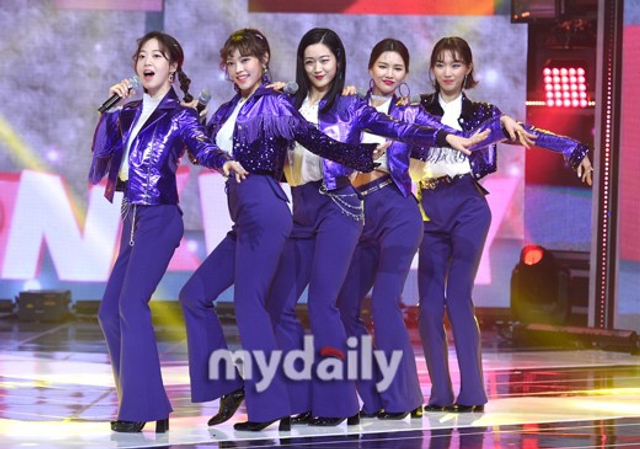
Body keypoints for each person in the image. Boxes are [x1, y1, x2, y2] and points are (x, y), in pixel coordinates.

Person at [265, 28, 488, 427]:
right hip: (355, 210)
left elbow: (419, 131)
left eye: (397, 68)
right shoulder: (347, 105)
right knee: (343, 307)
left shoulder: (409, 111)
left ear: (405, 75)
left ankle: (403, 398)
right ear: (369, 68)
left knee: (385, 303)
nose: (389, 73)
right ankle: (370, 396)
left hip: (397, 210)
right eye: (383, 66)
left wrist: (450, 138)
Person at [178, 28, 381, 432]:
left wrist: (358, 155)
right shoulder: (227, 109)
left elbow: (313, 139)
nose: (238, 69)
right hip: (243, 216)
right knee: (194, 295)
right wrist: (191, 122)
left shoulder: (273, 103)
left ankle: (270, 407)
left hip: (266, 208)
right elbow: (201, 151)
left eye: (246, 60)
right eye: (231, 63)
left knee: (251, 306)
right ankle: (232, 386)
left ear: (264, 60)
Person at [414, 36, 593, 413]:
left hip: (468, 205)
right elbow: (381, 124)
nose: (448, 72)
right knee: (429, 306)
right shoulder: (417, 111)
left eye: (455, 64)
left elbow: (529, 134)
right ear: (432, 69)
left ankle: (472, 393)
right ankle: (440, 393)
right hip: (428, 207)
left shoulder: (483, 114)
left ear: (468, 69)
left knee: (457, 298)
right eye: (441, 64)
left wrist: (574, 149)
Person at [88, 31, 246, 433]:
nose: (147, 62)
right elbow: (103, 152)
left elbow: (201, 146)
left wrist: (223, 161)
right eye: (142, 55)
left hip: (160, 216)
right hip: (132, 215)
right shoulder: (128, 111)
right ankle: (146, 403)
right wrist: (111, 109)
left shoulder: (180, 114)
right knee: (109, 311)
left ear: (173, 66)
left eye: (157, 56)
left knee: (131, 303)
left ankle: (141, 408)